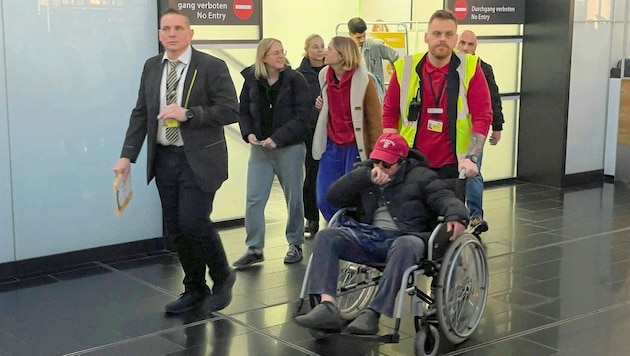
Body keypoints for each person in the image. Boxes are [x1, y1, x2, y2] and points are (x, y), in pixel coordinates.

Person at [112, 8, 238, 315]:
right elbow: (141, 112)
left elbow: (230, 110)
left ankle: (223, 275)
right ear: (159, 34)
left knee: (193, 220)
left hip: (200, 159)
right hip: (165, 158)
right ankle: (194, 288)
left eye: (178, 28)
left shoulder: (211, 66)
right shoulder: (152, 67)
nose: (172, 33)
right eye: (166, 28)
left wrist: (190, 114)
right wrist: (127, 155)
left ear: (190, 33)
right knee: (177, 229)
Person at [294, 132, 469, 335]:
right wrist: (363, 177)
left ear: (402, 162)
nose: (379, 167)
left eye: (386, 164)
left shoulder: (421, 177)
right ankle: (327, 307)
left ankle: (373, 313)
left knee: (407, 244)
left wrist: (456, 215)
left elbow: (445, 197)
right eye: (376, 161)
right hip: (369, 235)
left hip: (405, 237)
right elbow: (333, 197)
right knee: (327, 236)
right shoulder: (365, 174)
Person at [382, 9, 492, 182]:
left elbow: (483, 115)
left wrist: (471, 158)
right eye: (436, 33)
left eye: (449, 34)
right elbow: (389, 113)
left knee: (450, 209)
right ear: (426, 37)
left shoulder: (470, 67)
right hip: (410, 163)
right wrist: (389, 156)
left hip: (453, 167)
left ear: (455, 39)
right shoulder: (405, 67)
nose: (442, 38)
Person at [233, 38, 312, 268]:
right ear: (264, 57)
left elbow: (303, 116)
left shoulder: (296, 80)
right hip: (260, 150)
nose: (281, 56)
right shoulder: (251, 79)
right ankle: (254, 247)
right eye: (275, 52)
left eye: (282, 51)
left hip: (289, 148)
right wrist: (247, 133)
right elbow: (243, 111)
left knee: (293, 197)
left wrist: (278, 138)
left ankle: (295, 242)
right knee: (254, 199)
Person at [312, 36, 382, 221]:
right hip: (332, 146)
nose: (325, 52)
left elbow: (375, 121)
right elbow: (328, 105)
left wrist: (376, 156)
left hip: (356, 148)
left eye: (329, 49)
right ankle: (341, 229)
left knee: (352, 197)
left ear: (343, 55)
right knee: (323, 197)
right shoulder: (324, 76)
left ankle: (350, 234)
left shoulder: (365, 81)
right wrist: (320, 104)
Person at [457, 30, 504, 233]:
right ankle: (456, 216)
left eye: (470, 44)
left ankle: (475, 216)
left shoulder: (483, 68)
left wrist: (497, 126)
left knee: (473, 173)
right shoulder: (447, 66)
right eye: (462, 43)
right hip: (450, 132)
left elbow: (493, 98)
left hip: (475, 131)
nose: (466, 48)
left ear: (476, 46)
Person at [297, 34, 326, 237]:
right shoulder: (299, 75)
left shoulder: (332, 71)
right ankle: (312, 217)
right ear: (306, 49)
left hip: (331, 130)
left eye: (322, 46)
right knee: (312, 174)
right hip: (310, 130)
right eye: (315, 46)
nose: (319, 50)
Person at [347, 17, 399, 91]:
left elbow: (396, 57)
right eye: (358, 38)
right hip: (355, 92)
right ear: (350, 34)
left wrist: (395, 81)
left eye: (364, 36)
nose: (362, 40)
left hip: (376, 93)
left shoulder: (376, 45)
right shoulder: (344, 50)